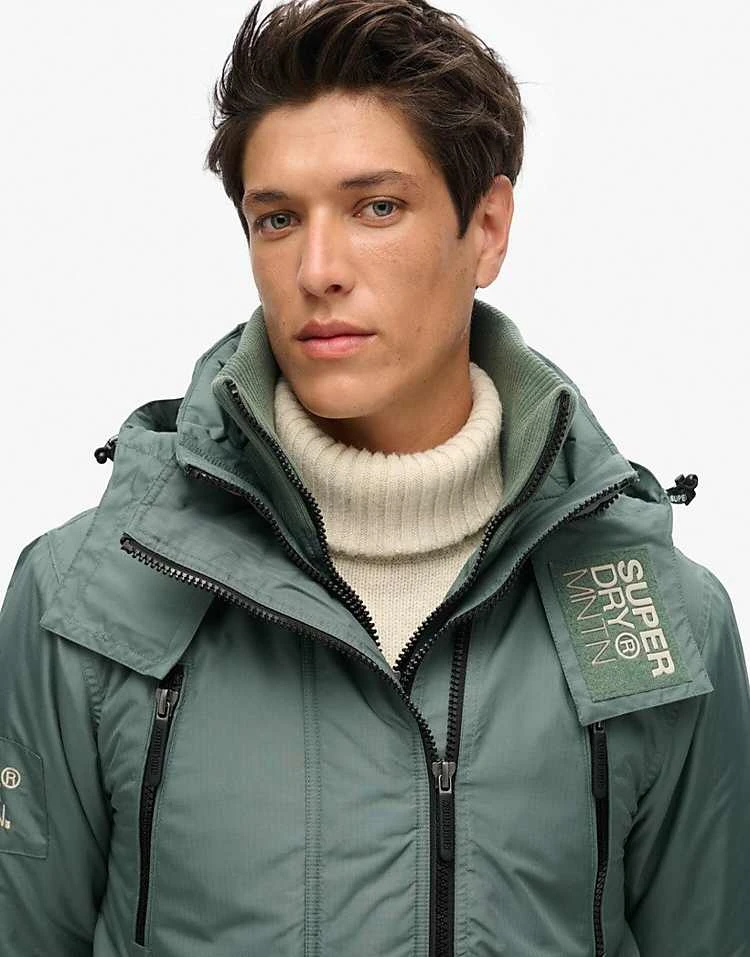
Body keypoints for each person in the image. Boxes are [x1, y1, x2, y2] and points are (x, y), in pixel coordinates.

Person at [2, 0, 748, 953]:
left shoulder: (657, 619)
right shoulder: (85, 599)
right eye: (278, 218)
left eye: (376, 208)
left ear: (487, 228)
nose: (317, 269)